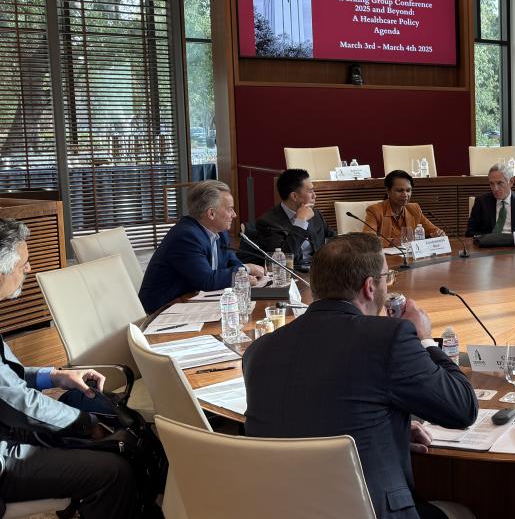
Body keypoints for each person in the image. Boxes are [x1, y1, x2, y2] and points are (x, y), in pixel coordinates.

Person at [243, 233, 478, 519]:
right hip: (367, 509)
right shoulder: (388, 338)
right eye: (386, 277)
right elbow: (462, 408)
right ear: (369, 287)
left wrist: (390, 432)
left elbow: (311, 414)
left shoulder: (259, 351)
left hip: (285, 509)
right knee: (461, 513)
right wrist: (425, 339)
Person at [0, 219, 137, 517]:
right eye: (23, 262)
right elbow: (18, 403)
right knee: (114, 469)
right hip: (4, 452)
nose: (28, 268)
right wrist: (88, 424)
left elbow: (6, 381)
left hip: (10, 427)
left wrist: (56, 375)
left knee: (98, 437)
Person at [139, 180, 265, 313]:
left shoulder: (219, 233)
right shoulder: (186, 236)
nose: (234, 215)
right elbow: (207, 280)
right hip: (163, 310)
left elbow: (231, 262)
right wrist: (247, 269)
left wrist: (246, 275)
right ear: (211, 213)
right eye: (230, 209)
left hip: (192, 301)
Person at [255, 168, 335, 272]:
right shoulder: (268, 223)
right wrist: (300, 222)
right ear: (294, 196)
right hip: (293, 275)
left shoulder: (315, 214)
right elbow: (282, 261)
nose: (315, 196)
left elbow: (333, 239)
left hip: (321, 271)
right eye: (310, 191)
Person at [362, 170, 444, 243]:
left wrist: (438, 234)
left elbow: (433, 230)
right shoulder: (375, 210)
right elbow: (368, 240)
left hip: (410, 256)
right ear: (388, 191)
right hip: (385, 257)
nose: (405, 195)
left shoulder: (414, 209)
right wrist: (397, 241)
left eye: (408, 190)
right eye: (399, 190)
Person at [465, 163, 515, 236]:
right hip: (489, 244)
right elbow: (470, 232)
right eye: (492, 183)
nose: (495, 188)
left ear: (511, 181)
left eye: (500, 183)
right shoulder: (481, 202)